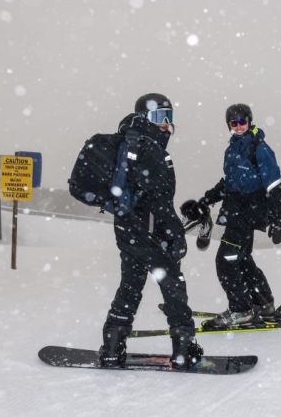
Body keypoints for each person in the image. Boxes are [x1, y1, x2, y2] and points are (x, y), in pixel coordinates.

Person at [99, 93, 203, 369]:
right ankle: (183, 349)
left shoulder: (127, 144)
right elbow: (160, 202)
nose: (167, 124)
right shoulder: (152, 151)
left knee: (130, 287)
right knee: (173, 288)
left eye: (170, 117)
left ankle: (112, 345)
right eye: (160, 117)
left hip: (128, 232)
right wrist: (175, 236)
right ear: (145, 118)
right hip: (153, 234)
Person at [181, 103, 281, 327]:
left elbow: (276, 186)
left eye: (243, 122)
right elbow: (229, 182)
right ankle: (264, 304)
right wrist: (207, 199)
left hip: (247, 213)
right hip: (237, 211)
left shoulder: (259, 148)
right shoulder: (232, 149)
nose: (239, 126)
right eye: (234, 123)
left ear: (250, 121)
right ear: (228, 126)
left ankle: (241, 310)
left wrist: (278, 221)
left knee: (226, 260)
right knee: (242, 259)